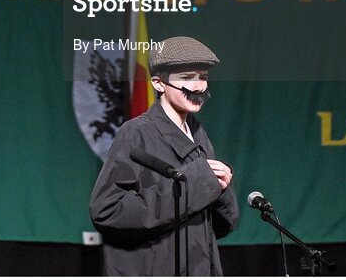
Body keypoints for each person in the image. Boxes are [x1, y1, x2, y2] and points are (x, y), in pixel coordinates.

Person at [89, 36, 239, 276]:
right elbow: (108, 211)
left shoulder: (199, 135)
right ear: (159, 84)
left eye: (203, 77)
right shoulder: (137, 133)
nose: (199, 86)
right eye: (187, 78)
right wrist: (193, 183)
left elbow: (217, 227)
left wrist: (222, 191)